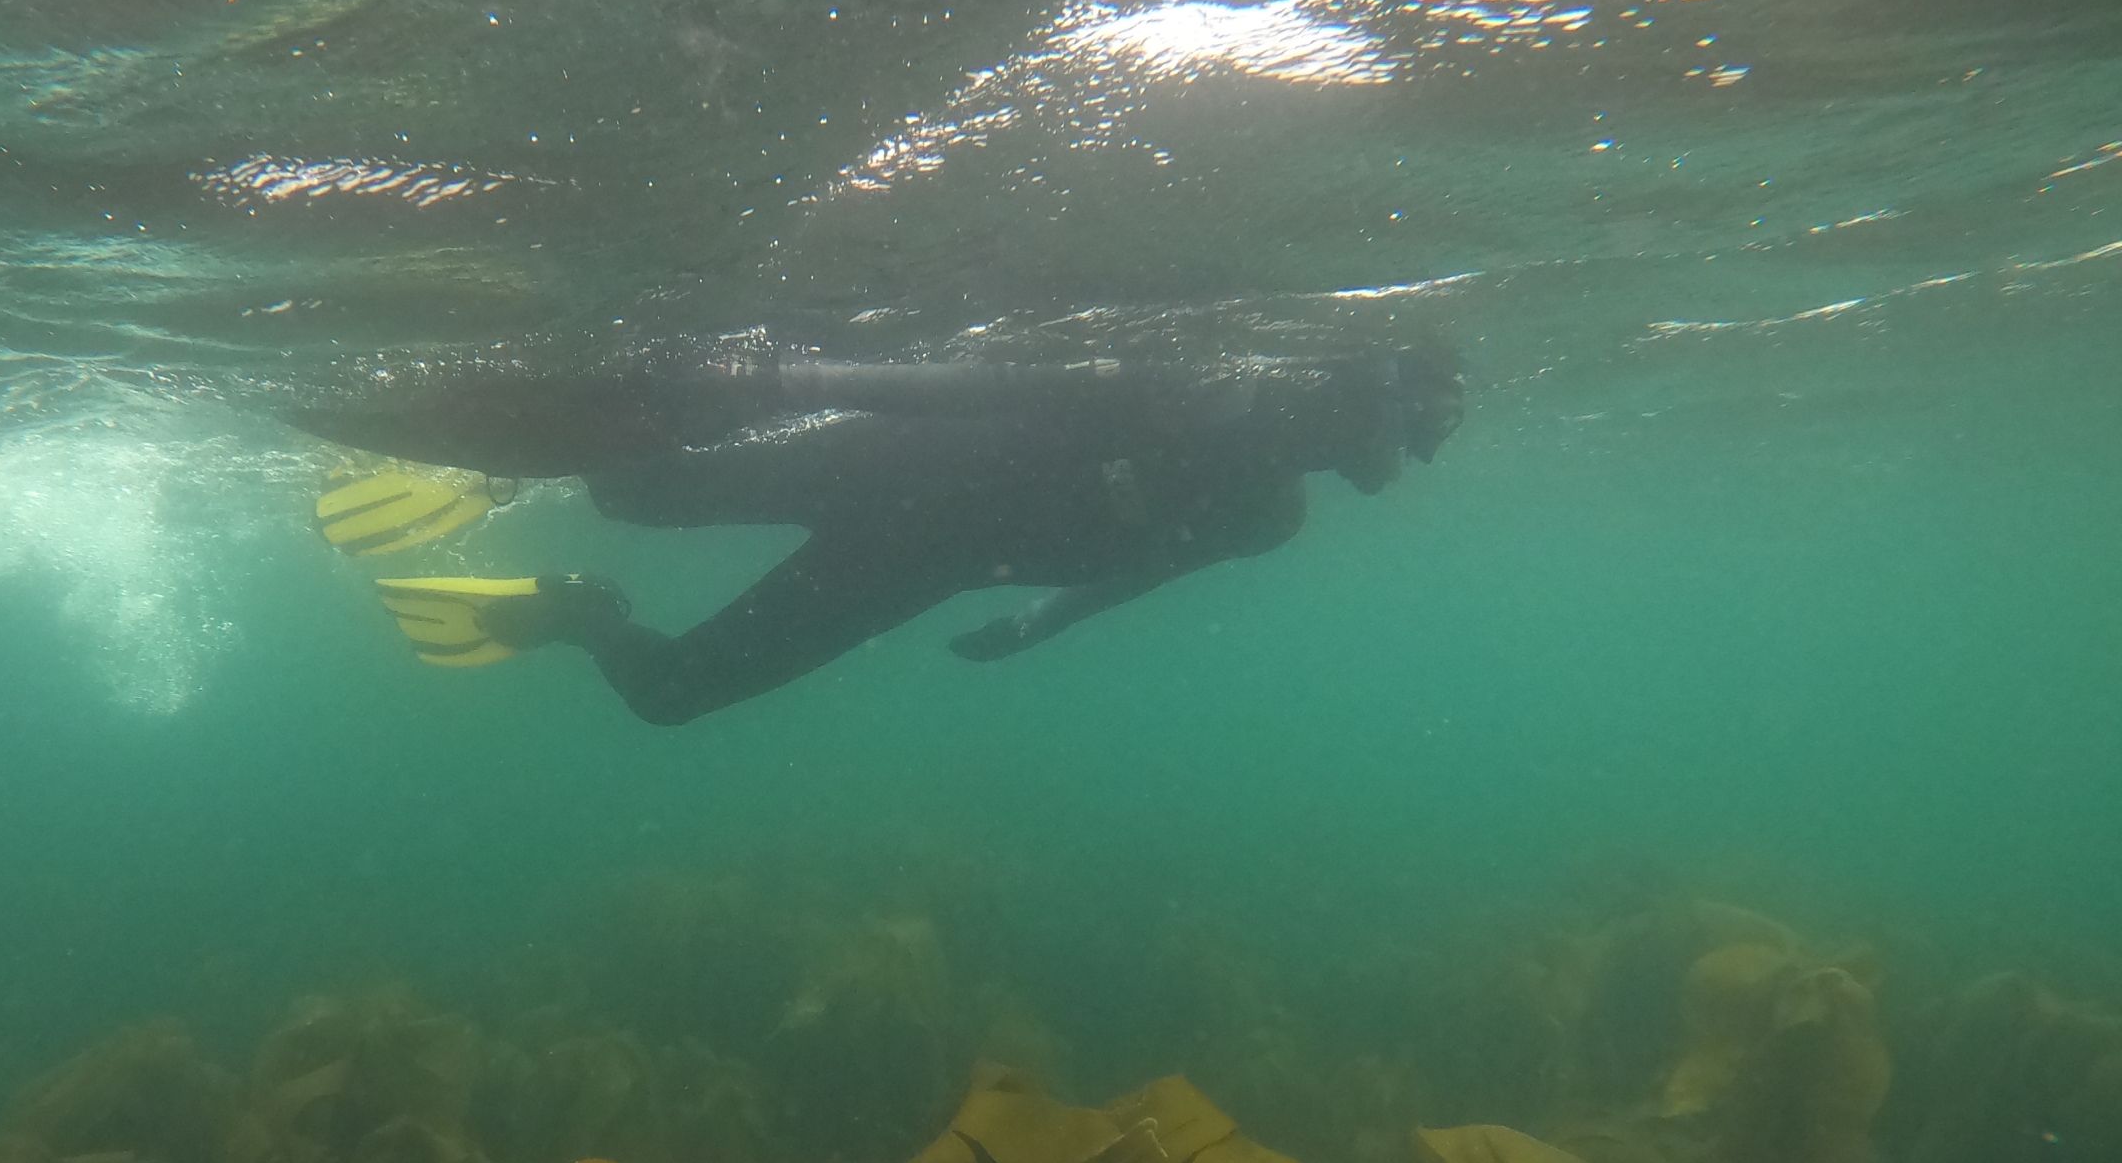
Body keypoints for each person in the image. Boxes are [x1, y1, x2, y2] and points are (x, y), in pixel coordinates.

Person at [298, 334, 1461, 724]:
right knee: (630, 491)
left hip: (917, 564)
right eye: (1395, 431)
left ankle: (572, 609)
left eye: (1406, 446)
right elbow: (966, 391)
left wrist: (1040, 624)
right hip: (888, 461)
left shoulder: (1268, 515)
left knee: (667, 695)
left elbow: (1146, 574)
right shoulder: (1185, 387)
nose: (1386, 465)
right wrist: (787, 377)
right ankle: (502, 471)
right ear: (1343, 390)